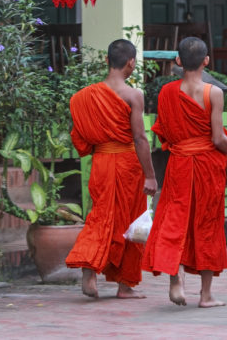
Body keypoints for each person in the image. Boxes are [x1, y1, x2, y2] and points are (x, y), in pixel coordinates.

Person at [142, 37, 227, 307]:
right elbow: (217, 139)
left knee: (175, 219)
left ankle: (175, 276)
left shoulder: (166, 92)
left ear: (178, 62)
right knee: (207, 224)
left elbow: (164, 132)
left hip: (179, 163)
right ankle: (206, 295)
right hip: (207, 165)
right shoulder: (213, 92)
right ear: (206, 61)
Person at [66, 39, 158, 299]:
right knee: (131, 220)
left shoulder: (85, 96)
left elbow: (81, 138)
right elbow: (140, 138)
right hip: (128, 164)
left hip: (101, 164)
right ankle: (124, 285)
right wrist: (150, 175)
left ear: (107, 61)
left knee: (101, 216)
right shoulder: (133, 95)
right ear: (131, 63)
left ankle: (89, 266)